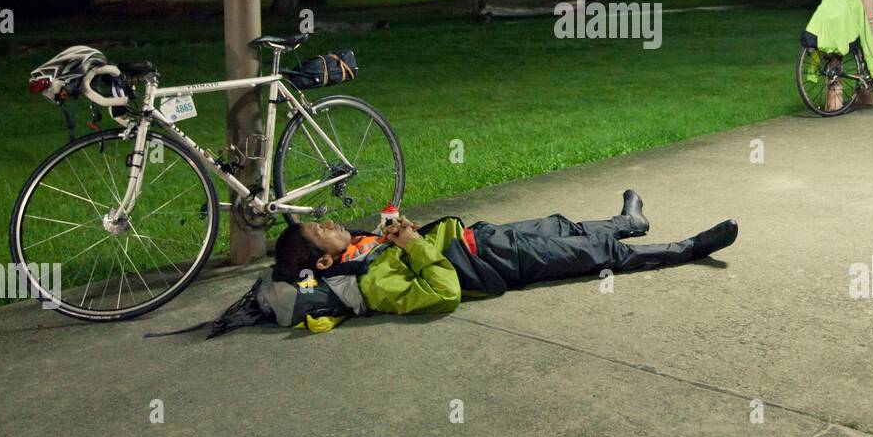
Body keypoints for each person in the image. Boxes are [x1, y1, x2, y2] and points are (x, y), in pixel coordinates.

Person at [272, 190, 738, 316]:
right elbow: (443, 291)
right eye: (321, 230)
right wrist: (412, 242)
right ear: (324, 262)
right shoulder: (372, 284)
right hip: (497, 262)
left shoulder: (360, 249)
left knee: (562, 226)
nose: (331, 222)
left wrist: (404, 231)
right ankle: (687, 248)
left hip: (481, 237)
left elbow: (413, 248)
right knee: (598, 253)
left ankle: (630, 222)